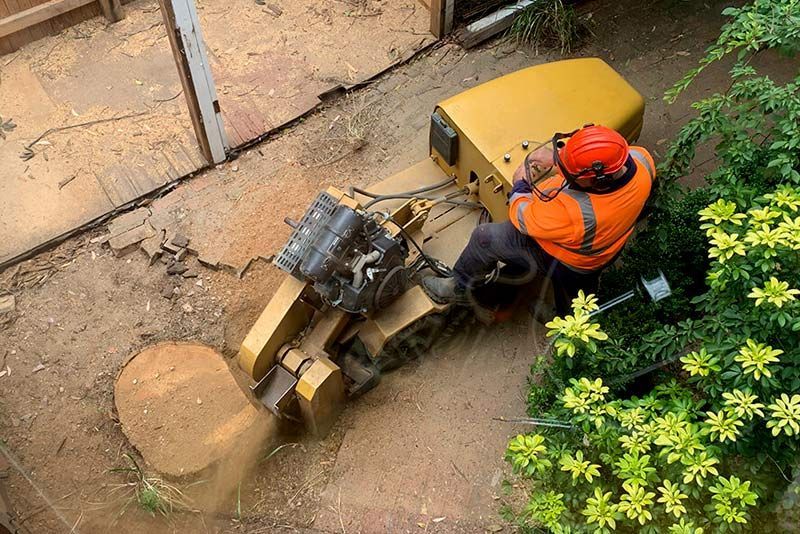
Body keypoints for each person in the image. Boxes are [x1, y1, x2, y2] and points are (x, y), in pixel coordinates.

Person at [422, 124, 655, 316]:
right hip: (606, 248)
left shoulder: (578, 214)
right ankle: (563, 318)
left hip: (570, 260)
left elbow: (524, 217)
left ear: (596, 181)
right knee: (576, 299)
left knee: (485, 237)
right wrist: (559, 158)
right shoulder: (640, 159)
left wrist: (520, 183)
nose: (563, 171)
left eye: (570, 172)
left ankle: (459, 287)